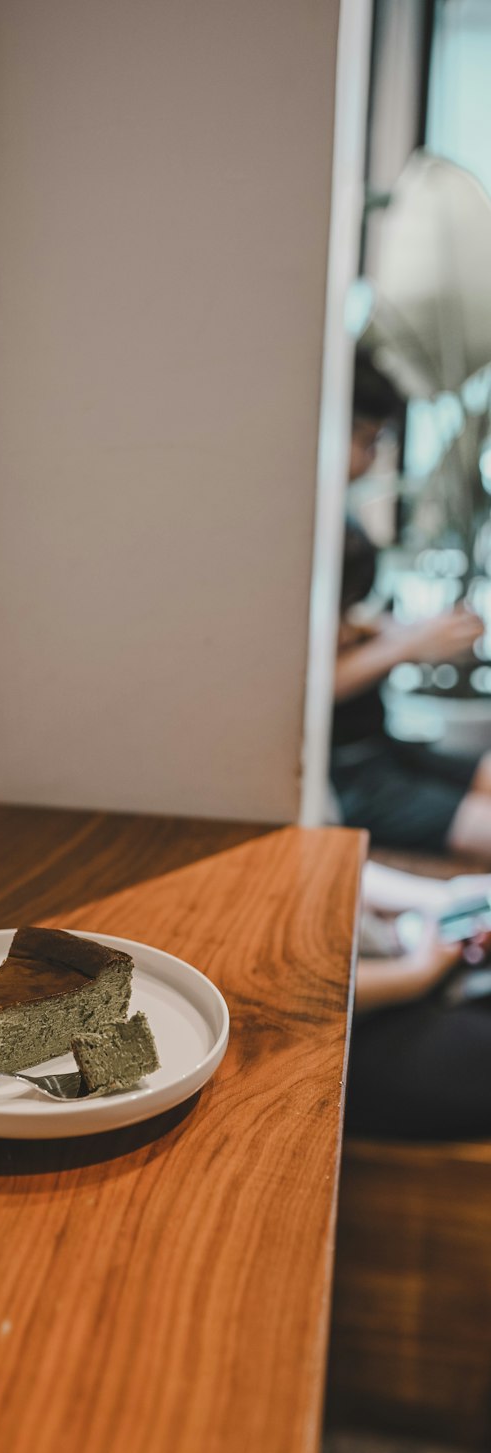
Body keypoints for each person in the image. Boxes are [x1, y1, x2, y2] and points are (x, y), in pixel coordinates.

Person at [330, 353, 491, 856]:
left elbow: (331, 636)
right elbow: (299, 690)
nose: (371, 457)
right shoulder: (319, 536)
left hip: (374, 745)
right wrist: (408, 644)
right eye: (366, 440)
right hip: (344, 774)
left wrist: (390, 633)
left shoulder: (342, 527)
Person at [346, 861, 491, 1139]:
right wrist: (415, 974)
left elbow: (340, 865)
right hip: (349, 1025)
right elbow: (304, 989)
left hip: (399, 959)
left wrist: (447, 900)